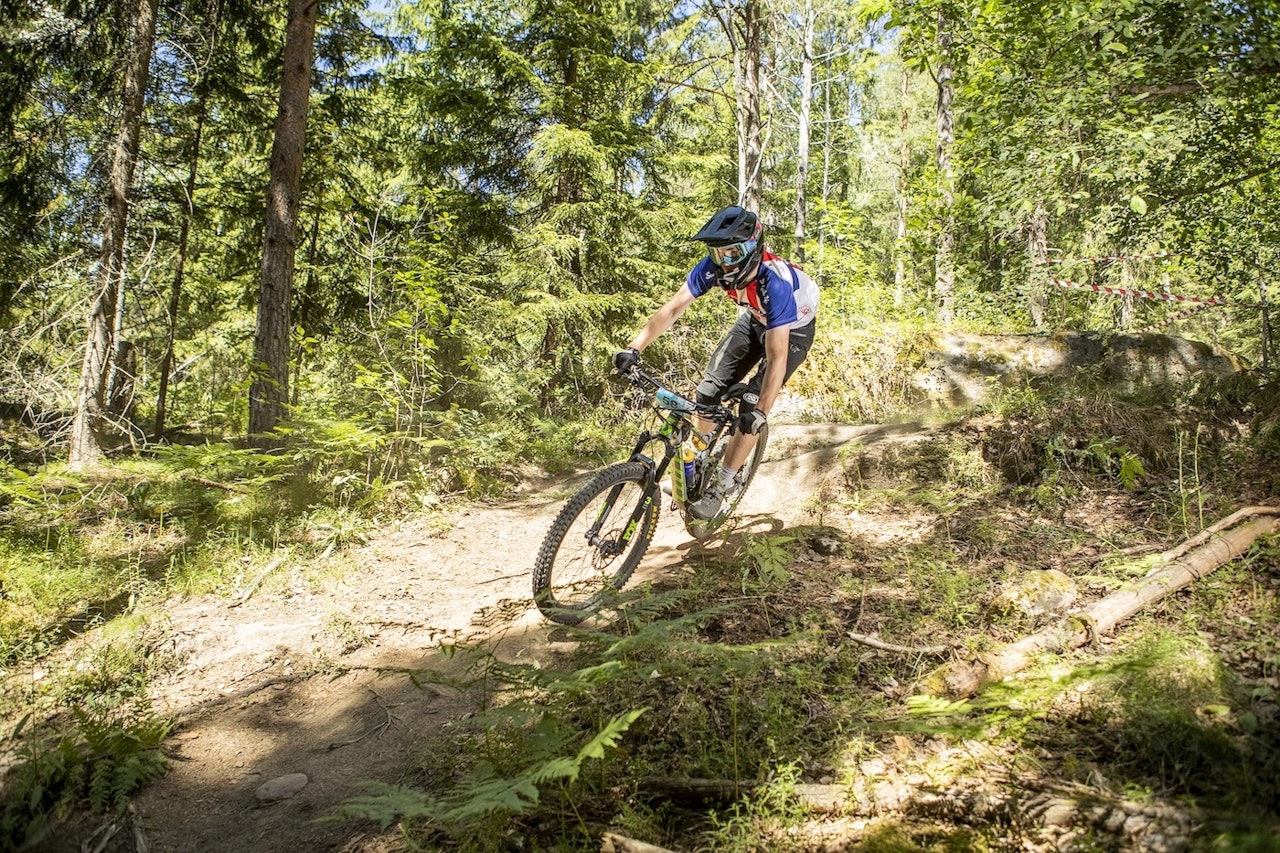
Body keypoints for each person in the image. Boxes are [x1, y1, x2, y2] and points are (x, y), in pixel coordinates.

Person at [612, 205, 819, 519]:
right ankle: (698, 461)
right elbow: (672, 309)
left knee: (751, 406)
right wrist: (634, 347)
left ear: (751, 249)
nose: (722, 262)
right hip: (754, 320)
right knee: (707, 393)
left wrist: (761, 411)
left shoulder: (774, 284)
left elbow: (777, 358)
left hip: (793, 330)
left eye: (730, 254)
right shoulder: (712, 268)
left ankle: (722, 486)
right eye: (717, 253)